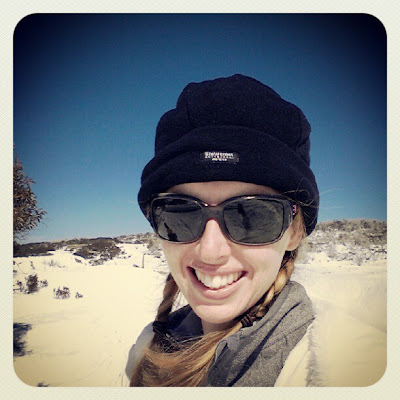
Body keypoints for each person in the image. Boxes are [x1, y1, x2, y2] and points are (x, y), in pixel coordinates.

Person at [125, 74, 385, 387]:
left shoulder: (346, 373)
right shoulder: (145, 352)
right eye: (180, 213)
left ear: (295, 231)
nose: (210, 251)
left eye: (251, 215)